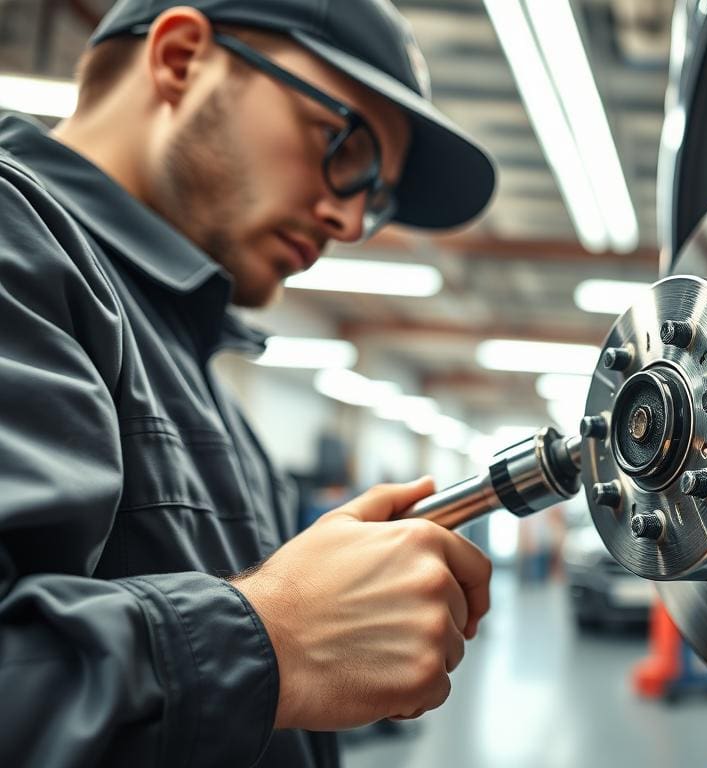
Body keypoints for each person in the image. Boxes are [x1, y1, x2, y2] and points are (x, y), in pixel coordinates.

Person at [0, 1, 498, 765]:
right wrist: (276, 634)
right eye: (344, 144)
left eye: (376, 197)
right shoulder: (15, 242)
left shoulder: (203, 390)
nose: (349, 219)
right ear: (180, 59)